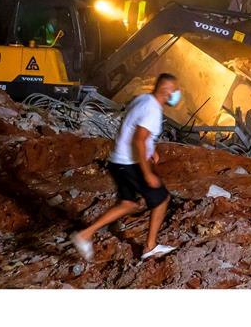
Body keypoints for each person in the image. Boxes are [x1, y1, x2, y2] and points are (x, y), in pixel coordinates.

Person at [71, 73, 182, 262]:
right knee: (162, 199)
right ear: (165, 91)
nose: (177, 94)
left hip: (118, 160)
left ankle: (84, 235)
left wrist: (151, 149)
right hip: (130, 162)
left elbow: (132, 126)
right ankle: (150, 247)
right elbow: (138, 139)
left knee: (128, 203)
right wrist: (147, 173)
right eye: (175, 90)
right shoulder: (153, 110)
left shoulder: (142, 99)